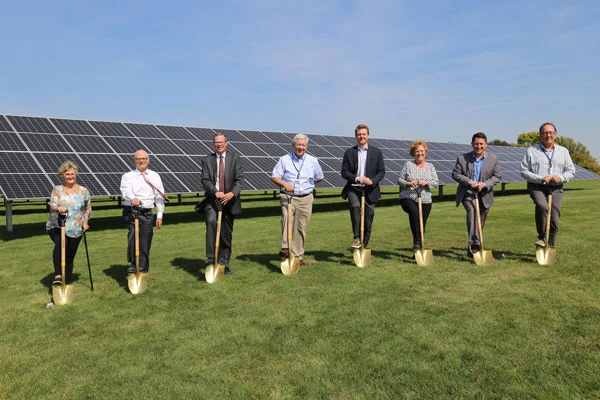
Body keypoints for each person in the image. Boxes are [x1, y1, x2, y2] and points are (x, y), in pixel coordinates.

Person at [271, 134, 324, 266]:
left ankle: (297, 256)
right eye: (298, 145)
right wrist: (285, 185)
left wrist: (307, 186)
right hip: (288, 196)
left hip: (305, 198)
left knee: (301, 227)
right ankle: (285, 248)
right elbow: (275, 177)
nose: (300, 147)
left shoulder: (313, 160)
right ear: (293, 145)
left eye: (303, 145)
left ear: (306, 146)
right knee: (287, 219)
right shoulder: (284, 160)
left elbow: (319, 177)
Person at [520, 122, 575, 247]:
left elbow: (571, 171)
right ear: (540, 135)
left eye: (551, 132)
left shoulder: (563, 151)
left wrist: (560, 178)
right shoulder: (531, 151)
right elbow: (523, 171)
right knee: (542, 206)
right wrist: (540, 178)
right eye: (545, 132)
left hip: (556, 188)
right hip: (537, 186)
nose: (548, 135)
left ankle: (550, 246)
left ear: (555, 135)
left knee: (554, 218)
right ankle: (542, 237)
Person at [198, 133, 244, 275]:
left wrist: (232, 194)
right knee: (211, 222)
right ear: (213, 144)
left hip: (230, 201)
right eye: (216, 142)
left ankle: (224, 262)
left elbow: (240, 180)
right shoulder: (207, 160)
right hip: (213, 200)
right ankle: (211, 259)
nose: (219, 144)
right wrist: (215, 192)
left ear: (226, 143)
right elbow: (205, 180)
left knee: (226, 233)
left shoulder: (235, 158)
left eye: (221, 142)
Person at [452, 132, 501, 257]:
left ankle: (473, 247)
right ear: (472, 144)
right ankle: (474, 242)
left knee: (480, 221)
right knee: (472, 211)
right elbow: (456, 174)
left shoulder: (493, 159)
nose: (478, 146)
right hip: (467, 192)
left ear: (486, 144)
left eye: (481, 144)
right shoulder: (462, 158)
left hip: (485, 194)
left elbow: (497, 177)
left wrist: (484, 184)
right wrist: (469, 182)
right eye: (476, 144)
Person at [120, 150, 167, 274]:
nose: (141, 161)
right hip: (132, 210)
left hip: (147, 211)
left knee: (146, 239)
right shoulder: (127, 176)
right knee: (133, 235)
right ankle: (133, 264)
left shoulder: (155, 176)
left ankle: (143, 268)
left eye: (144, 158)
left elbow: (159, 196)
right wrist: (133, 199)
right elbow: (126, 191)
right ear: (134, 161)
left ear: (148, 160)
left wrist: (160, 215)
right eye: (138, 159)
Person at [341, 123, 386, 249]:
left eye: (364, 134)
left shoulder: (377, 152)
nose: (361, 136)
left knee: (368, 218)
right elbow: (344, 172)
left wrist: (372, 181)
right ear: (356, 136)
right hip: (354, 187)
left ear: (368, 136)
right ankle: (356, 237)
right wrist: (356, 178)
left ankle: (363, 246)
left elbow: (381, 171)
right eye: (359, 134)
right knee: (355, 207)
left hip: (370, 189)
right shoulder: (349, 152)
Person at [46, 161, 91, 285]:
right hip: (57, 226)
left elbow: (87, 208)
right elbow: (53, 204)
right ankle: (58, 276)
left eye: (72, 174)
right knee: (62, 243)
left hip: (76, 228)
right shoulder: (57, 190)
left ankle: (67, 281)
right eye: (67, 174)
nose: (70, 176)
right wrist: (58, 208)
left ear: (76, 174)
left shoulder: (84, 191)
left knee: (70, 256)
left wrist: (85, 222)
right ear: (63, 176)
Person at [397, 140, 439, 250]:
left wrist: (427, 183)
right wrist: (408, 183)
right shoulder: (408, 165)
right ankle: (416, 241)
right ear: (413, 153)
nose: (419, 153)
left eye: (421, 151)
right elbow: (400, 180)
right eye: (416, 151)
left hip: (425, 199)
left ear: (425, 152)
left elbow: (436, 183)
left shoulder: (430, 166)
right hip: (408, 197)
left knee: (422, 223)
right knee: (414, 213)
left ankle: (419, 247)